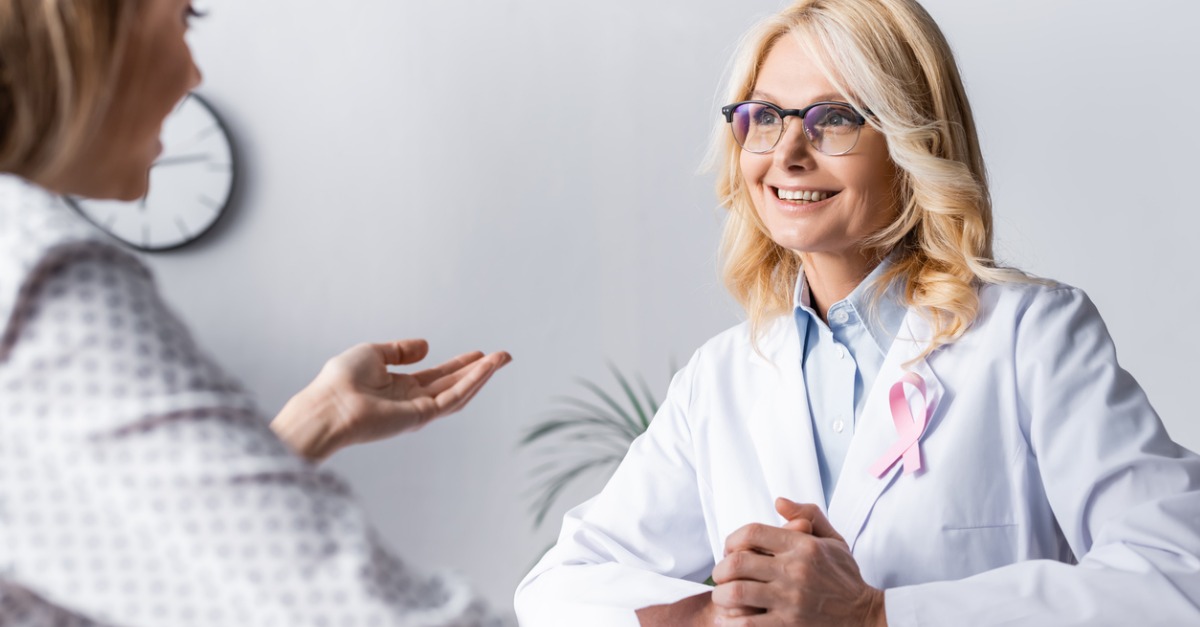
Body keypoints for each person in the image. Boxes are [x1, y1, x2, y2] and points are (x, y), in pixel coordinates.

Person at [513, 0, 1200, 625]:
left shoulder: (1030, 338)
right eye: (765, 117)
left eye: (833, 118)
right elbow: (554, 590)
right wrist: (706, 619)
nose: (787, 153)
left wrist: (874, 614)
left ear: (913, 144)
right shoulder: (720, 379)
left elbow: (1179, 575)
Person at [0, 1, 512, 624]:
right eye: (186, 18)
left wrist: (318, 420)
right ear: (94, 22)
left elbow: (107, 554)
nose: (194, 74)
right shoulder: (41, 271)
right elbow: (347, 612)